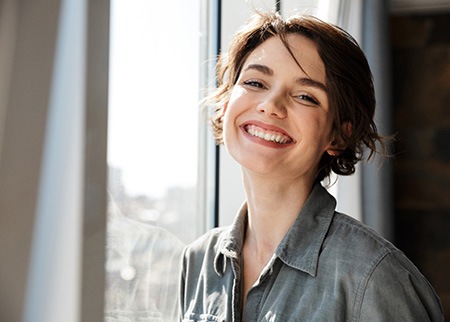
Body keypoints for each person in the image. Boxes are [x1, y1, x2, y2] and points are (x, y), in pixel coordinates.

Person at [180, 11, 444, 321]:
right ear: (225, 106)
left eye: (305, 96)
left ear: (337, 135)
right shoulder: (198, 261)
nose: (271, 105)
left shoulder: (374, 277)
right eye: (255, 82)